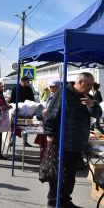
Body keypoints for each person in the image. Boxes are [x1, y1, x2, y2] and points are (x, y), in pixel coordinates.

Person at [44, 72, 102, 207]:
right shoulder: (64, 93)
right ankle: (54, 201)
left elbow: (98, 113)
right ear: (81, 82)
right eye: (89, 85)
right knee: (58, 173)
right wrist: (50, 133)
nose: (90, 88)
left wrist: (92, 105)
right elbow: (51, 114)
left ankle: (65, 200)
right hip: (62, 141)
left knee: (70, 175)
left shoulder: (86, 95)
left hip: (77, 142)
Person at [10, 76, 35, 147]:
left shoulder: (29, 88)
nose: (28, 83)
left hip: (27, 110)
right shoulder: (15, 88)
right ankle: (12, 141)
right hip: (17, 109)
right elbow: (12, 99)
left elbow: (32, 99)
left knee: (25, 125)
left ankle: (25, 141)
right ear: (23, 81)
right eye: (28, 81)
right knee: (14, 125)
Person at [0, 82, 10, 160]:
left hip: (0, 116)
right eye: (0, 85)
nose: (2, 87)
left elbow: (2, 104)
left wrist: (6, 105)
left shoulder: (0, 93)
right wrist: (5, 107)